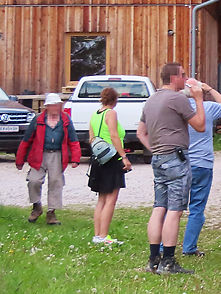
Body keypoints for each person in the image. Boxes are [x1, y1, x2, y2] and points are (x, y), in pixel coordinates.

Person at [137, 62, 206, 275]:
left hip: (159, 158)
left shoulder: (151, 100)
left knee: (159, 207)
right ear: (173, 77)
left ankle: (153, 260)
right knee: (175, 211)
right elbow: (200, 125)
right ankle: (168, 262)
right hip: (177, 159)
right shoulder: (177, 98)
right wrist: (199, 99)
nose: (185, 79)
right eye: (183, 75)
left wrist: (157, 150)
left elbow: (141, 133)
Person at [181, 79, 221, 257]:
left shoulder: (178, 108)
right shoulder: (207, 107)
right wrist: (209, 89)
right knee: (197, 208)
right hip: (202, 163)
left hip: (180, 162)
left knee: (174, 208)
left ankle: (164, 245)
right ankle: (189, 247)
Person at [16, 93, 79, 225]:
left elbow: (73, 140)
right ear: (47, 107)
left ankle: (51, 213)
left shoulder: (65, 119)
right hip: (39, 154)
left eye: (58, 105)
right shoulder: (38, 119)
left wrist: (75, 158)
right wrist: (19, 160)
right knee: (34, 180)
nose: (57, 108)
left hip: (57, 155)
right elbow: (26, 140)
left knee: (56, 183)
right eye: (54, 105)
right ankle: (36, 206)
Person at [88, 87, 133, 243]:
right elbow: (114, 135)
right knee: (111, 199)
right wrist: (124, 156)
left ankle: (97, 235)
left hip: (99, 158)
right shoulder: (111, 113)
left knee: (101, 199)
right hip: (112, 158)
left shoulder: (95, 115)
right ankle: (104, 236)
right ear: (115, 99)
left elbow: (91, 138)